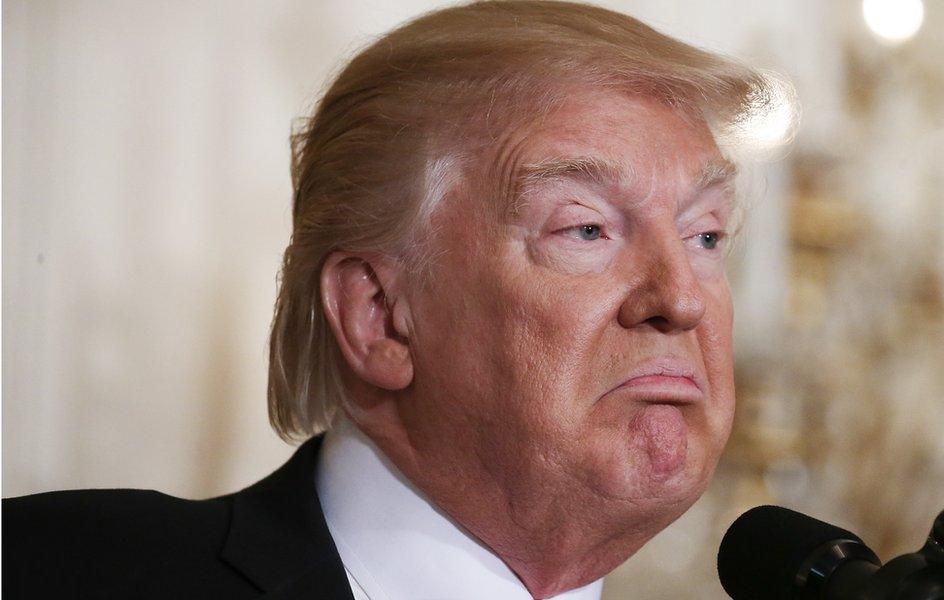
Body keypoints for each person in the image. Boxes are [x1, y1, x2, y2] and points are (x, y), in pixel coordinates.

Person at [3, 1, 769, 598]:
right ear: (378, 316)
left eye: (705, 236)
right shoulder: (53, 571)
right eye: (587, 229)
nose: (681, 299)